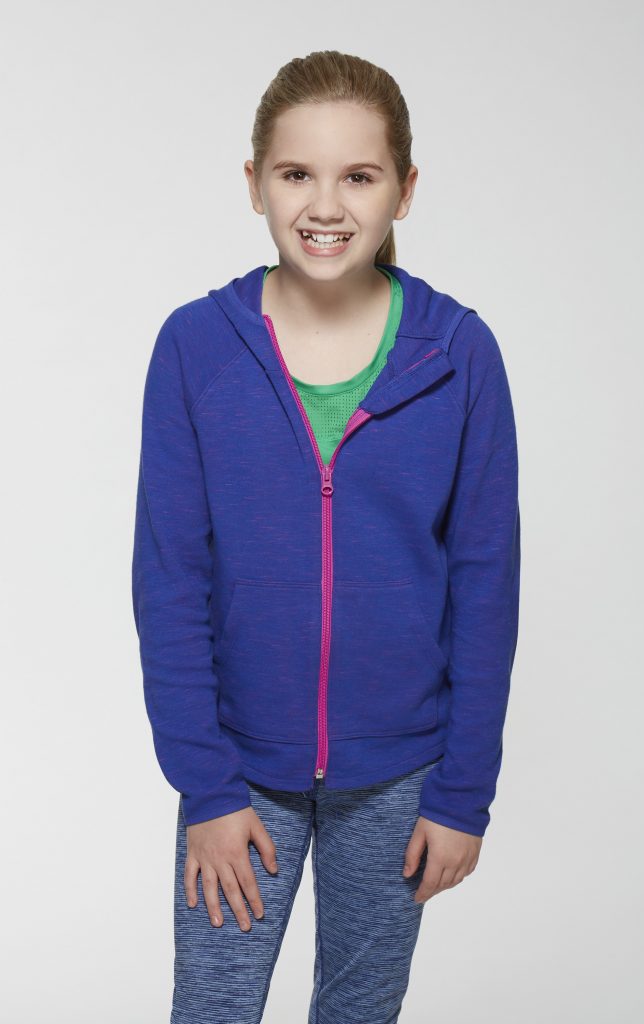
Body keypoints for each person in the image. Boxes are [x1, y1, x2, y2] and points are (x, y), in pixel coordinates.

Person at [132, 49, 521, 1024]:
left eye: (359, 175)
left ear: (404, 190)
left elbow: (484, 584)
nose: (325, 204)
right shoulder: (195, 347)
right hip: (238, 770)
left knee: (358, 1012)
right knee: (212, 1007)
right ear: (254, 182)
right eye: (296, 173)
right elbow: (170, 580)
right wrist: (207, 787)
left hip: (400, 772)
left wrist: (461, 794)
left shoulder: (457, 353)